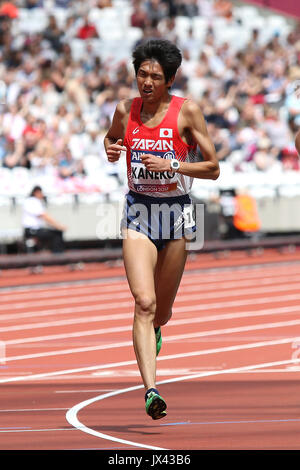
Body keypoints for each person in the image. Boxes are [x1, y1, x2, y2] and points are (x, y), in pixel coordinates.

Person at [104, 39, 219, 420]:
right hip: (138, 213)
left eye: (155, 76)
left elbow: (212, 167)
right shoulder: (125, 109)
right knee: (144, 302)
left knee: (162, 312)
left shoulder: (188, 113)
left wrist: (172, 167)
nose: (147, 82)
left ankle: (156, 330)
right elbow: (111, 138)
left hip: (177, 216)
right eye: (142, 74)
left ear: (170, 80)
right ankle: (151, 390)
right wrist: (110, 148)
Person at [22, 185, 67, 253]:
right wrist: (58, 226)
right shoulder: (32, 201)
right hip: (32, 230)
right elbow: (44, 216)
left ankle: (56, 254)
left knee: (55, 232)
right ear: (36, 192)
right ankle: (58, 256)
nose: (42, 195)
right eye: (41, 193)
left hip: (35, 229)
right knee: (57, 234)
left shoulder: (33, 201)